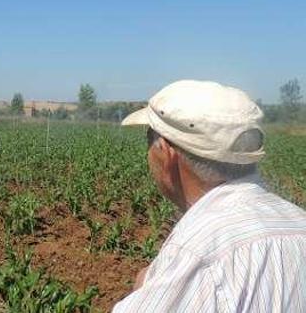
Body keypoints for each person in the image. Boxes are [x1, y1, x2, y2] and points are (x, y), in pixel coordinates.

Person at [113, 80, 306, 312]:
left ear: (165, 154)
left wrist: (140, 290)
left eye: (149, 140)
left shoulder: (198, 252)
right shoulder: (299, 222)